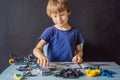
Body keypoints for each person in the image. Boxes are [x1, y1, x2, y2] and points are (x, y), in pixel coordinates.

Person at [33, 0, 84, 67]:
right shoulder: (49, 31)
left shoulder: (75, 32)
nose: (59, 19)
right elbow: (37, 49)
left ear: (68, 12)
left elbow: (79, 51)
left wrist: (78, 56)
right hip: (52, 66)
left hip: (71, 66)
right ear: (51, 16)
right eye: (55, 16)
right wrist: (41, 56)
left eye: (62, 15)